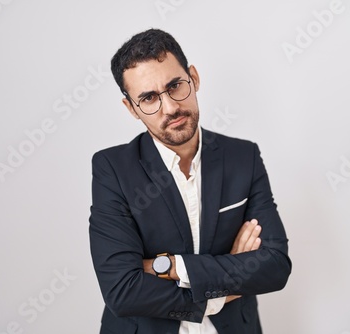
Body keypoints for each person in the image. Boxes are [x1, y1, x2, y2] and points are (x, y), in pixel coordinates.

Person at [89, 28, 291, 334]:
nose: (170, 107)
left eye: (175, 86)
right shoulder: (112, 169)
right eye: (149, 98)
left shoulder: (243, 157)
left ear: (193, 78)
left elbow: (275, 266)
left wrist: (170, 266)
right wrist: (218, 293)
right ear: (131, 108)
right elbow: (122, 289)